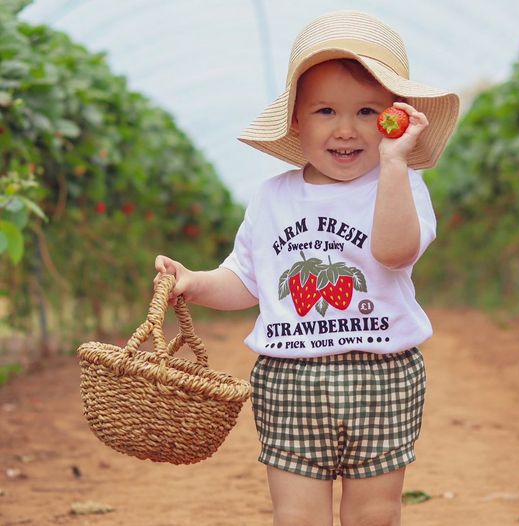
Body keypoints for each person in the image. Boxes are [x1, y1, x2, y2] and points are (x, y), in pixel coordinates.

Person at [154, 10, 459, 526]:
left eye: (368, 111)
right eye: (325, 111)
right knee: (296, 516)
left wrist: (393, 162)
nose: (346, 129)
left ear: (396, 117)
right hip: (289, 380)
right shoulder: (272, 198)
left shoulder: (401, 184)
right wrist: (196, 283)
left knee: (375, 513)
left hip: (382, 377)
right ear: (295, 119)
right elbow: (248, 279)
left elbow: (393, 251)